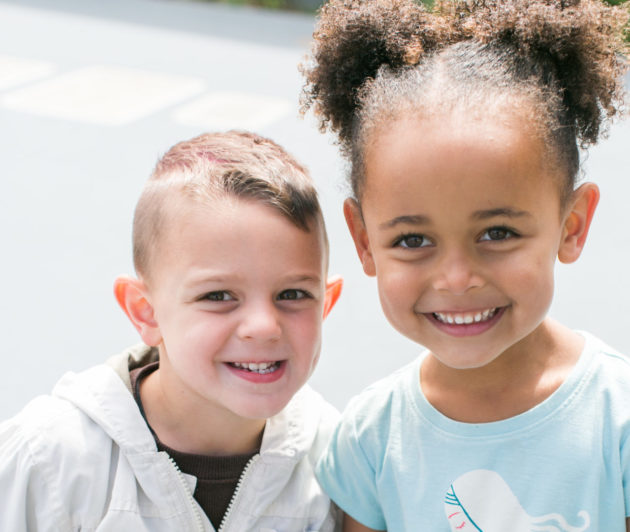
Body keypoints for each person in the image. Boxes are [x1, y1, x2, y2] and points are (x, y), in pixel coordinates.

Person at [300, 0, 630, 530]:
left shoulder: (618, 422)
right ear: (363, 241)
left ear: (572, 224)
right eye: (412, 240)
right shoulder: (369, 441)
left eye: (497, 233)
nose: (457, 277)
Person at [0, 131, 344, 531]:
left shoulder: (338, 465)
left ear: (326, 304)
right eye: (218, 295)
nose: (264, 327)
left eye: (292, 293)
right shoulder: (50, 462)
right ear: (145, 312)